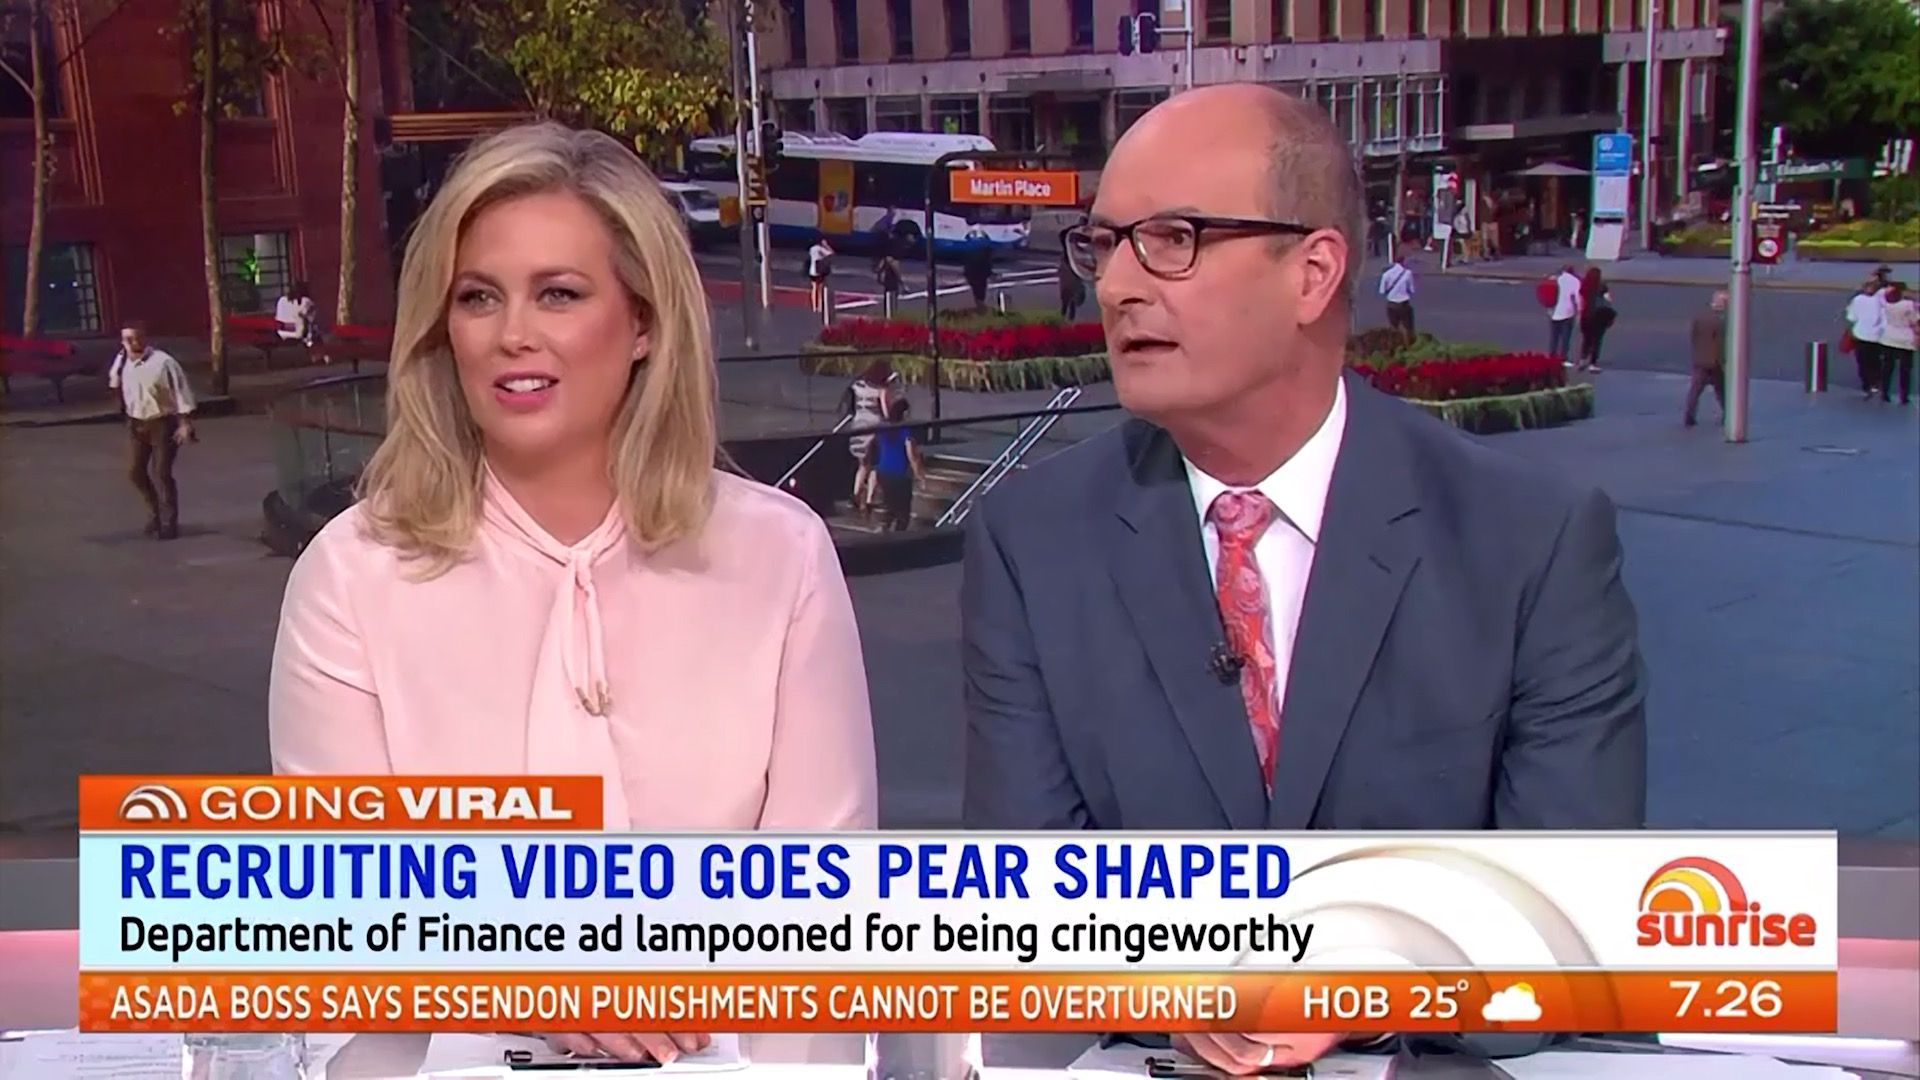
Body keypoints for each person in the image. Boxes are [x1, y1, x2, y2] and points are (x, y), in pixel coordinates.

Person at [963, 84, 1644, 1072]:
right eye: (1103, 244)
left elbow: (1572, 919)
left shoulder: (1532, 541)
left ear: (1313, 272)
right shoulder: (1031, 542)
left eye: (1172, 239)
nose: (1115, 285)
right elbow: (1024, 903)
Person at [268, 123, 876, 1063]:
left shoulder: (780, 554)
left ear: (643, 324)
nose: (513, 333)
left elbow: (824, 914)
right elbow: (336, 920)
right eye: (478, 297)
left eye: (558, 293)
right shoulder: (351, 575)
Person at [107, 322, 196, 540]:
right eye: (128, 339)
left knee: (161, 473)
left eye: (136, 338)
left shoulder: (163, 362)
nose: (133, 343)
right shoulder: (121, 361)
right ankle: (154, 512)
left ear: (145, 338)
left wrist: (185, 423)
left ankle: (168, 522)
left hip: (162, 423)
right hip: (136, 422)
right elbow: (114, 384)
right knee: (135, 472)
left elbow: (181, 392)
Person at [844, 360, 897, 515]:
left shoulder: (858, 386)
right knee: (874, 466)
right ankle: (869, 499)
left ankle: (856, 494)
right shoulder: (881, 390)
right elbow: (886, 412)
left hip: (858, 426)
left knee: (862, 465)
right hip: (874, 429)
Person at [867, 397, 924, 531]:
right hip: (900, 474)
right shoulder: (905, 430)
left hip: (883, 472)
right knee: (903, 513)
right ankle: (898, 535)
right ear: (904, 413)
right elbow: (911, 455)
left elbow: (875, 449)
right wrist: (919, 475)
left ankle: (884, 530)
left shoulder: (882, 429)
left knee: (890, 505)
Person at [1684, 290, 1728, 427]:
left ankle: (1689, 416)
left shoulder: (1700, 316)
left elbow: (1694, 336)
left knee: (1695, 391)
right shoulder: (1721, 321)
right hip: (1715, 362)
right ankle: (1728, 415)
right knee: (1722, 391)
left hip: (1701, 360)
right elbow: (1721, 343)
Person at [1846, 279, 1888, 400]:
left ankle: (1867, 384)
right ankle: (1875, 382)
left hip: (1861, 335)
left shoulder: (1858, 300)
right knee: (1875, 361)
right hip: (1876, 336)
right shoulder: (1882, 301)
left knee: (1863, 361)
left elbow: (1851, 317)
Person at [1879, 282, 1915, 405]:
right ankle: (1904, 396)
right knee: (1905, 369)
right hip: (1905, 340)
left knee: (1887, 367)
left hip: (1888, 337)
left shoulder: (1887, 303)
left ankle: (1884, 393)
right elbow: (1914, 320)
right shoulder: (1909, 305)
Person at [1576, 267, 1616, 373]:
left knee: (1586, 340)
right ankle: (1592, 364)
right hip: (1599, 316)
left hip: (1586, 315)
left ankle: (1582, 360)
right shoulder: (1602, 287)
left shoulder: (1584, 286)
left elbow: (1580, 302)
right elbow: (1608, 301)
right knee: (1597, 341)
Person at [1547, 263, 1582, 364]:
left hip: (1553, 311)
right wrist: (1579, 312)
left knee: (1554, 336)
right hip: (1567, 311)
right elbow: (1578, 298)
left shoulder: (1554, 279)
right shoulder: (1575, 281)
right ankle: (1563, 358)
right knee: (1565, 337)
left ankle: (1552, 356)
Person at [1376, 253, 1415, 344]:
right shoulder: (1408, 273)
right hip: (1404, 303)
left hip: (1391, 304)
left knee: (1393, 327)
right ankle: (1408, 345)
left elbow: (1382, 291)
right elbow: (1412, 290)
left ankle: (1394, 345)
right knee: (1407, 327)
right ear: (1403, 261)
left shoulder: (1386, 274)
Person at [275, 281, 319, 347]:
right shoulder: (305, 301)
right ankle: (308, 341)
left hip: (281, 333)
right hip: (298, 333)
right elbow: (311, 318)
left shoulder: (281, 300)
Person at [964, 231, 993, 308]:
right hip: (981, 272)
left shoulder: (969, 246)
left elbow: (966, 260)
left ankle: (979, 303)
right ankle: (980, 303)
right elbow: (988, 261)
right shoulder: (986, 246)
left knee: (976, 288)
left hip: (973, 272)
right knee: (981, 288)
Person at [1058, 247, 1087, 321]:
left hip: (1071, 278)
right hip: (1069, 278)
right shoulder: (1070, 256)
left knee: (1069, 298)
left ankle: (1067, 315)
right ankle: (1066, 314)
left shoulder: (1075, 256)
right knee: (1067, 297)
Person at [807, 237, 835, 312]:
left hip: (812, 270)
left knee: (814, 288)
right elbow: (831, 253)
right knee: (819, 289)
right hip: (819, 270)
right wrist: (826, 245)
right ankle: (819, 306)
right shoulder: (820, 249)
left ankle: (814, 306)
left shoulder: (812, 249)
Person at [874, 251, 904, 318]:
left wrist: (879, 278)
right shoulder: (894, 262)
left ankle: (887, 314)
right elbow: (898, 274)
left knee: (887, 299)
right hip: (893, 283)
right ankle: (892, 315)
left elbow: (879, 269)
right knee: (893, 300)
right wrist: (903, 285)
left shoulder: (886, 260)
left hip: (887, 282)